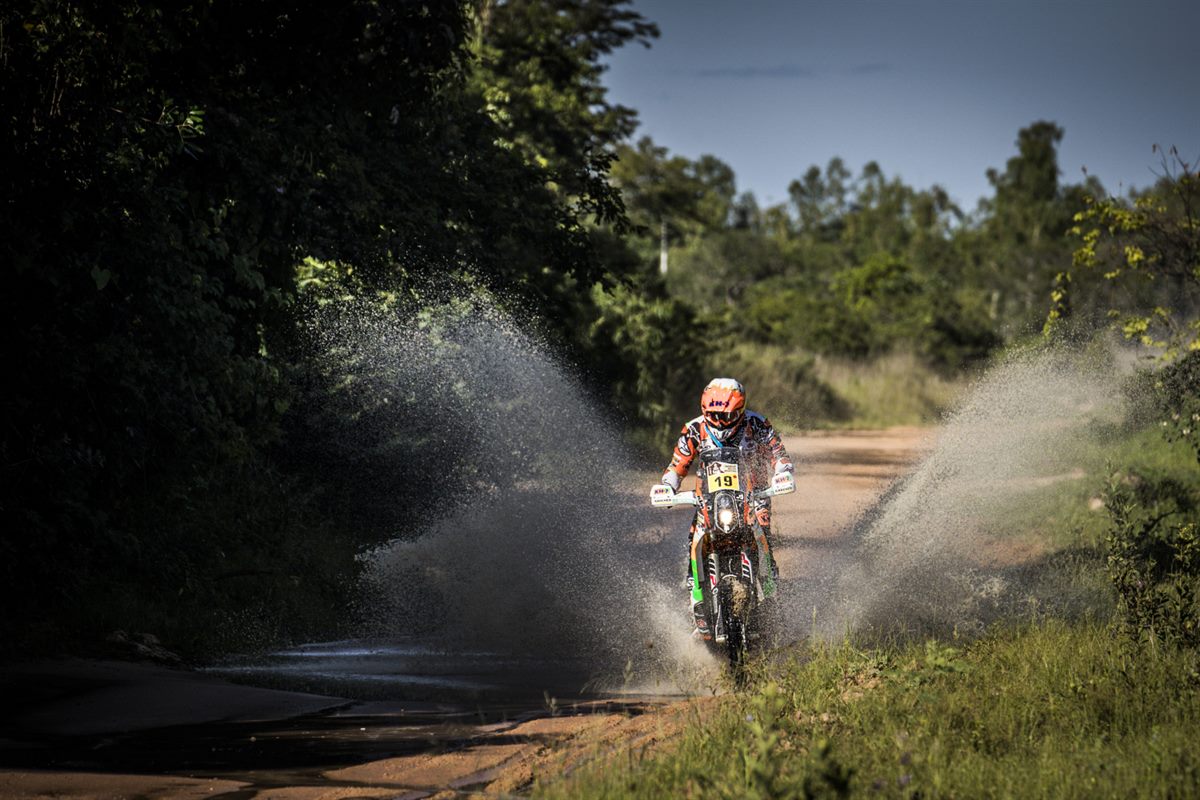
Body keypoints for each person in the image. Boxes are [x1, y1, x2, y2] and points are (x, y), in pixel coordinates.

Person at [659, 378, 793, 634]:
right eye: (714, 415)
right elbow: (677, 465)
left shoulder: (757, 423)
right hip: (708, 501)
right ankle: (697, 600)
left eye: (727, 415)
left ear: (740, 410)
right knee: (695, 540)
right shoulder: (694, 429)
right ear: (704, 410)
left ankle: (771, 600)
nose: (720, 422)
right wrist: (668, 486)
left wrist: (783, 472)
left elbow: (779, 455)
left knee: (762, 537)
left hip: (754, 497)